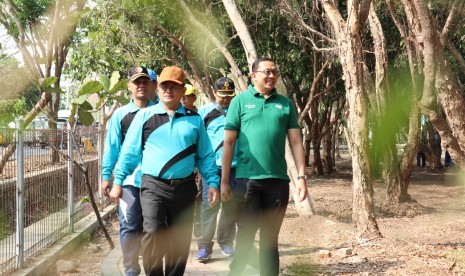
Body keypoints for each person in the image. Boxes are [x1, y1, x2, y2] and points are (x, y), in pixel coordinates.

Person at [113, 66, 220, 276]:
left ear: (182, 91)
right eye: (164, 86)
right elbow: (129, 153)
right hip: (153, 187)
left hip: (185, 188)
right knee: (152, 235)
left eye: (174, 86)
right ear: (158, 88)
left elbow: (206, 155)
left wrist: (213, 182)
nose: (168, 90)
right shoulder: (145, 116)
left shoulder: (194, 119)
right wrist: (118, 181)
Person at [221, 58, 309, 276]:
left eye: (274, 72)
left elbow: (296, 142)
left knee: (270, 238)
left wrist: (301, 177)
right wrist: (224, 181)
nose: (271, 76)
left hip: (278, 181)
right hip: (247, 180)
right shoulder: (239, 102)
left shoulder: (285, 104)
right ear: (253, 75)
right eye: (266, 72)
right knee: (246, 235)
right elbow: (229, 142)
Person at [101, 66, 155, 276]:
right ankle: (131, 269)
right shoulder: (120, 115)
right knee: (129, 224)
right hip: (129, 184)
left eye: (144, 82)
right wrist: (107, 177)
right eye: (136, 82)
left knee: (154, 228)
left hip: (154, 183)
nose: (141, 85)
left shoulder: (159, 111)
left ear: (150, 85)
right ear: (129, 87)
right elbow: (112, 148)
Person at [195, 77, 242, 261]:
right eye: (222, 95)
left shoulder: (238, 111)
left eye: (229, 95)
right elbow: (198, 139)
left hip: (235, 167)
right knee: (210, 204)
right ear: (214, 93)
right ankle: (205, 247)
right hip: (212, 168)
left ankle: (226, 242)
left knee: (230, 204)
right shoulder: (204, 112)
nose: (225, 99)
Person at [181, 83, 201, 237]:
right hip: (184, 166)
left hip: (197, 165)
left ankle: (197, 222)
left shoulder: (198, 117)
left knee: (199, 194)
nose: (182, 99)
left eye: (186, 96)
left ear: (193, 98)